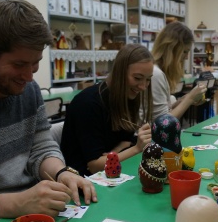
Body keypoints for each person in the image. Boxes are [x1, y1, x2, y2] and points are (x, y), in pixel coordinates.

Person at [0, 0, 97, 219]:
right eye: (19, 64)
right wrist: (18, 202)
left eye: (36, 63)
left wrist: (61, 173)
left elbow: (40, 147)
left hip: (34, 211)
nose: (30, 76)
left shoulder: (28, 90)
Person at [61, 44, 153, 177]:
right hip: (84, 180)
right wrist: (137, 148)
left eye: (148, 79)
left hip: (112, 174)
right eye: (138, 78)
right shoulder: (88, 104)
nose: (144, 86)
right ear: (119, 73)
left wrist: (113, 153)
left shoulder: (127, 95)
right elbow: (95, 166)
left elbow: (126, 140)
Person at [140, 21, 207, 122]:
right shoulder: (155, 74)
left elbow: (162, 112)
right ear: (172, 49)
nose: (186, 57)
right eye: (184, 51)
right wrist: (190, 98)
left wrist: (181, 101)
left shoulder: (159, 71)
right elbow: (163, 122)